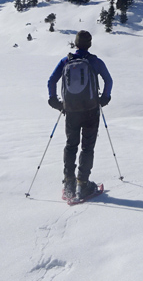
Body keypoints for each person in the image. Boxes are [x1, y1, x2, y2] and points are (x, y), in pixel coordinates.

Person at [47, 30, 113, 199]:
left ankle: (69, 183)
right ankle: (82, 184)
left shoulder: (65, 61)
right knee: (87, 147)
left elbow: (51, 81)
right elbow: (108, 81)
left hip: (71, 110)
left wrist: (54, 100)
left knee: (71, 145)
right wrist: (104, 98)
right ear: (89, 44)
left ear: (75, 44)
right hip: (91, 110)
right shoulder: (95, 61)